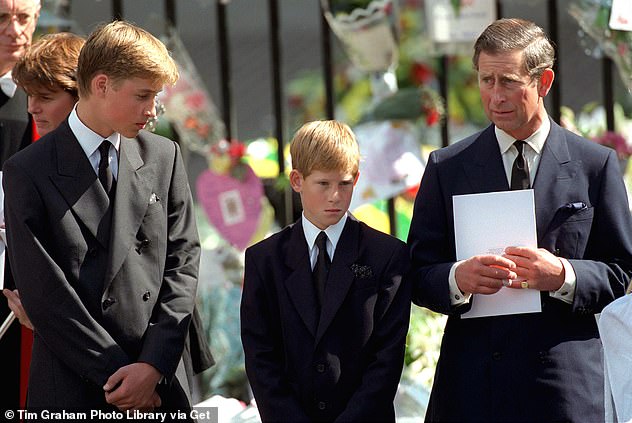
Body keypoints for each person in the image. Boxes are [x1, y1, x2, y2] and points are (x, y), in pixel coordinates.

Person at [406, 18, 632, 422]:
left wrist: (562, 275)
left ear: (544, 82)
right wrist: (458, 279)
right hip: (474, 384)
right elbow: (417, 272)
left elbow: (620, 273)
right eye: (486, 80)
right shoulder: (447, 166)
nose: (495, 96)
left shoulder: (594, 165)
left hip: (563, 384)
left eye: (508, 82)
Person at [3, 20, 200, 414]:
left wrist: (151, 366)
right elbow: (46, 293)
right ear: (102, 85)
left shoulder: (164, 155)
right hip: (74, 385)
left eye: (155, 97)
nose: (151, 110)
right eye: (142, 96)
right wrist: (120, 374)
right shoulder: (27, 170)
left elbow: (184, 262)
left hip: (157, 385)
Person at [240, 120, 411, 422]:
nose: (335, 195)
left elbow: (387, 357)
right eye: (323, 184)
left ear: (356, 179)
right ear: (297, 180)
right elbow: (260, 356)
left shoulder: (387, 255)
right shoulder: (263, 260)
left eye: (344, 184)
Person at [0, 0, 39, 411]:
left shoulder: (43, 95)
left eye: (24, 17)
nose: (15, 30)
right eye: (2, 19)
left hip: (22, 278)